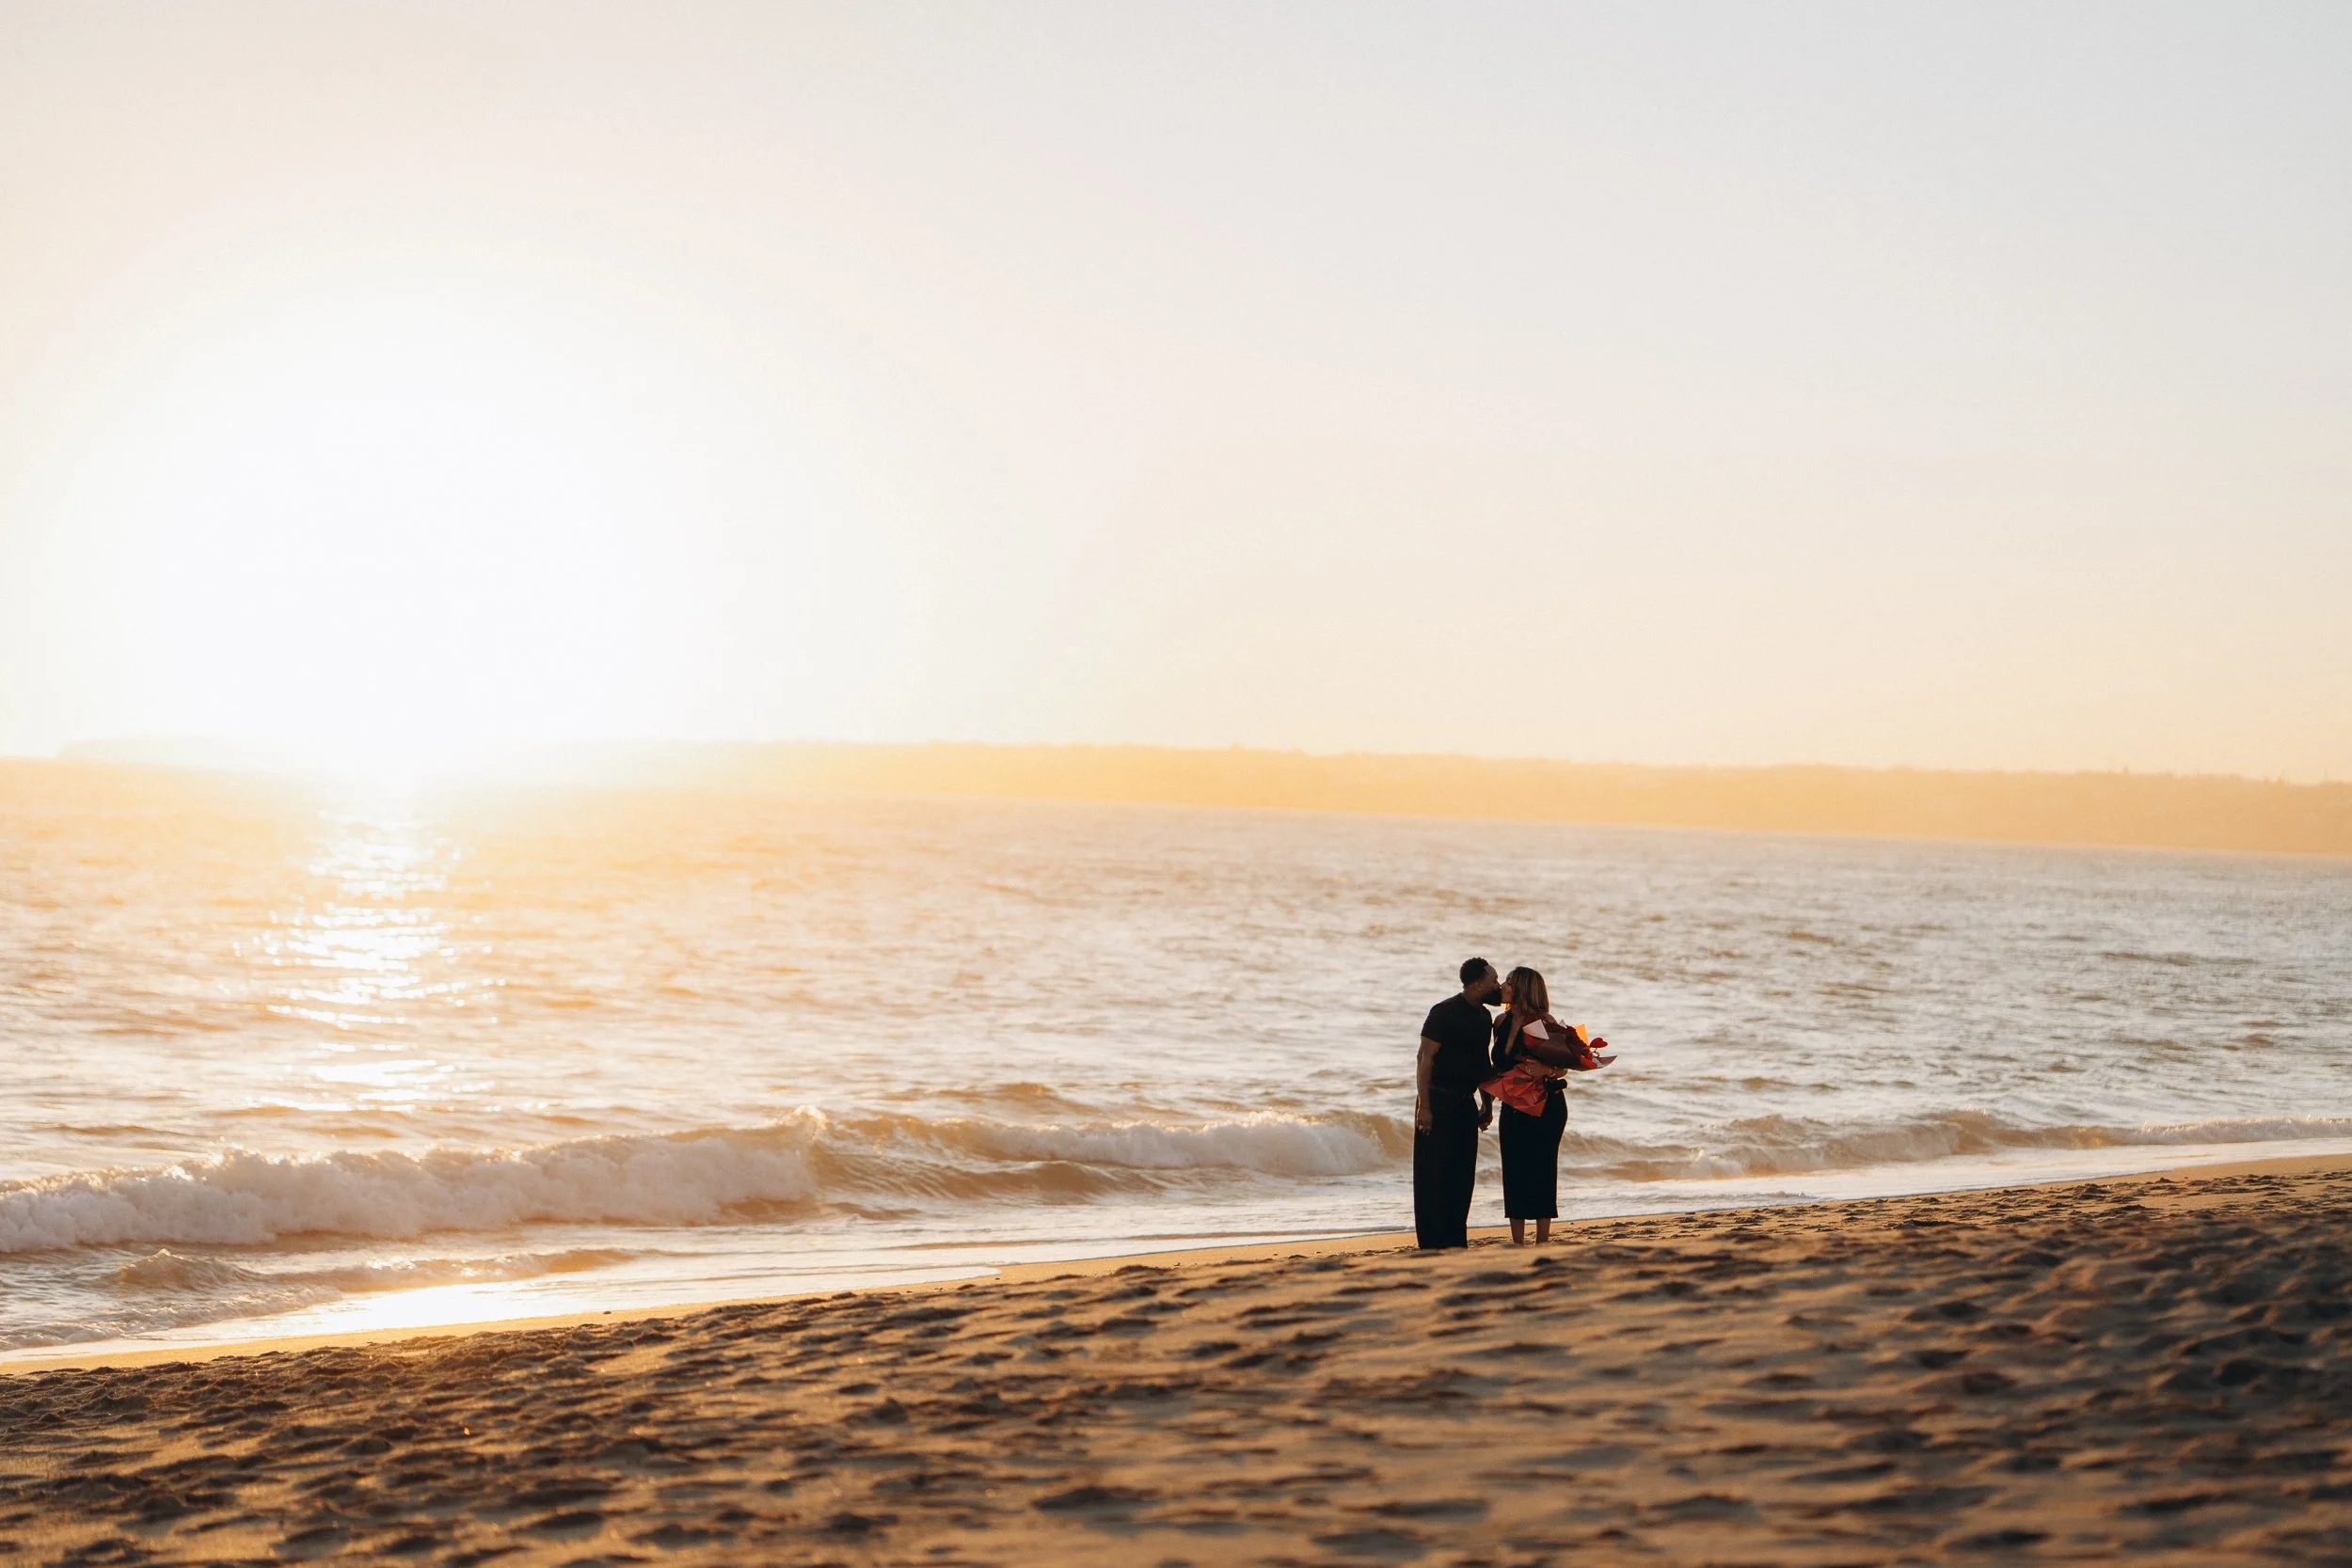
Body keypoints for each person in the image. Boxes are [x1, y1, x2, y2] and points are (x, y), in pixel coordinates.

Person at [1486, 966, 1606, 1245]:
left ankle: (1542, 1239)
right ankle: (1517, 1241)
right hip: (1513, 1104)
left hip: (1546, 1106)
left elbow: (1565, 1066)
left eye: (1508, 982)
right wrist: (1487, 1100)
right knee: (1513, 1169)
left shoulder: (1543, 1022)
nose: (1502, 985)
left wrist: (1547, 1070)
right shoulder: (1500, 1022)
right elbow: (1499, 1067)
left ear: (1523, 989)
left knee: (1541, 1169)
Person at [1413, 957, 1501, 1249]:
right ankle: (1431, 1244)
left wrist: (1487, 1103)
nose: (1497, 986)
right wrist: (1424, 1107)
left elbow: (1482, 1063)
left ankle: (1455, 1242)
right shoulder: (1444, 1012)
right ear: (1477, 985)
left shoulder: (1484, 1017)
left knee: (1462, 1176)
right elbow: (1424, 1059)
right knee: (1433, 1175)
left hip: (1465, 1104)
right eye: (1493, 981)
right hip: (1437, 1101)